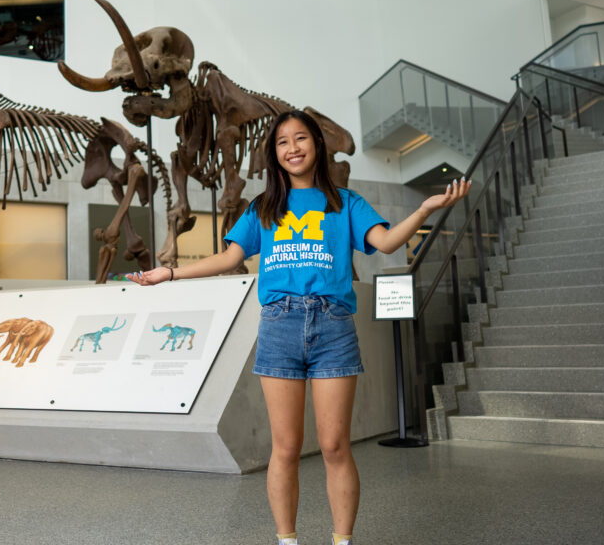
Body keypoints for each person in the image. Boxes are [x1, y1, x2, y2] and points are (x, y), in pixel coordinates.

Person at [127, 110, 470, 545]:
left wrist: (424, 208)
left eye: (301, 138)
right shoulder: (262, 207)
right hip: (280, 324)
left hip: (332, 326)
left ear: (317, 145)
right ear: (274, 153)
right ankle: (286, 541)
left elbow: (385, 242)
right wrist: (170, 273)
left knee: (334, 447)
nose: (293, 148)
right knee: (285, 449)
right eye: (283, 142)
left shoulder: (345, 203)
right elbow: (230, 258)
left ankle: (342, 541)